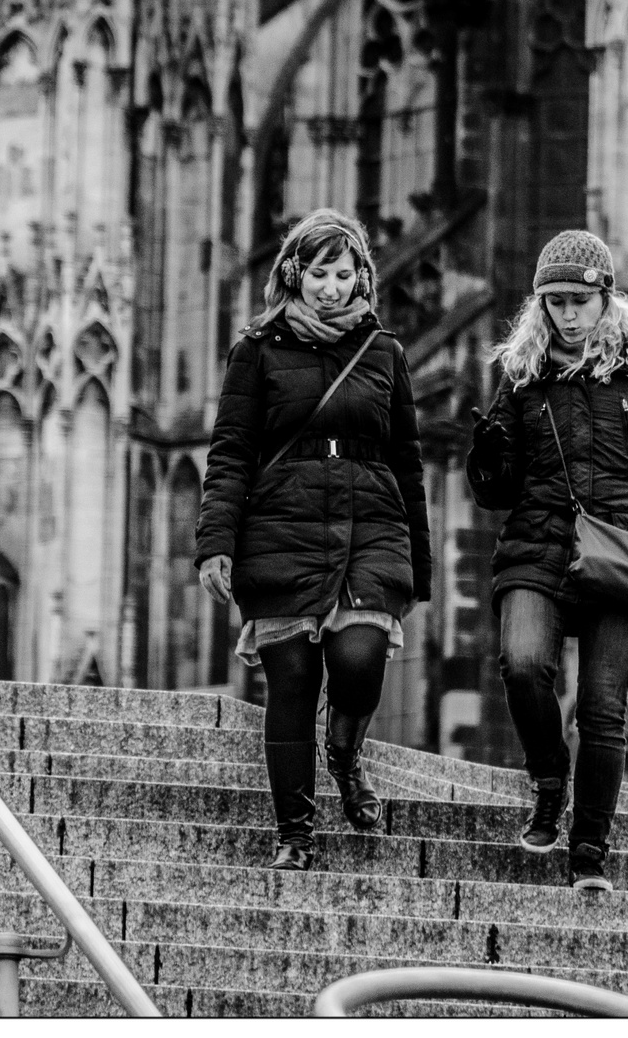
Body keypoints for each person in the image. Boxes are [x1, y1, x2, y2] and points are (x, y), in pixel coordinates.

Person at [465, 229, 628, 891]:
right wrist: (486, 457)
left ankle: (588, 853)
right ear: (539, 307)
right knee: (523, 665)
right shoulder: (523, 378)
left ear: (606, 298)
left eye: (579, 300)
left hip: (626, 556)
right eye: (554, 303)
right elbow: (496, 493)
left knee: (602, 708)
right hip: (539, 550)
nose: (568, 314)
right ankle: (548, 782)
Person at [195, 208, 431, 872]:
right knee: (292, 680)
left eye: (344, 271)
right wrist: (216, 542)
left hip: (370, 524)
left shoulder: (384, 351)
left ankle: (346, 756)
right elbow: (231, 452)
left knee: (359, 661)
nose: (332, 286)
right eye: (320, 272)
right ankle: (294, 832)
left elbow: (407, 461)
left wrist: (420, 564)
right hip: (280, 524)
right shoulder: (257, 349)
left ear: (363, 276)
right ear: (295, 276)